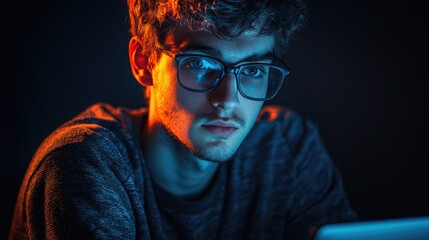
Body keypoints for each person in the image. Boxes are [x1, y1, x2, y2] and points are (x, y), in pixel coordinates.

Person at [9, 0, 358, 239]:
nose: (228, 100)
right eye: (201, 64)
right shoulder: (83, 164)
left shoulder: (289, 147)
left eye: (253, 70)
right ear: (144, 61)